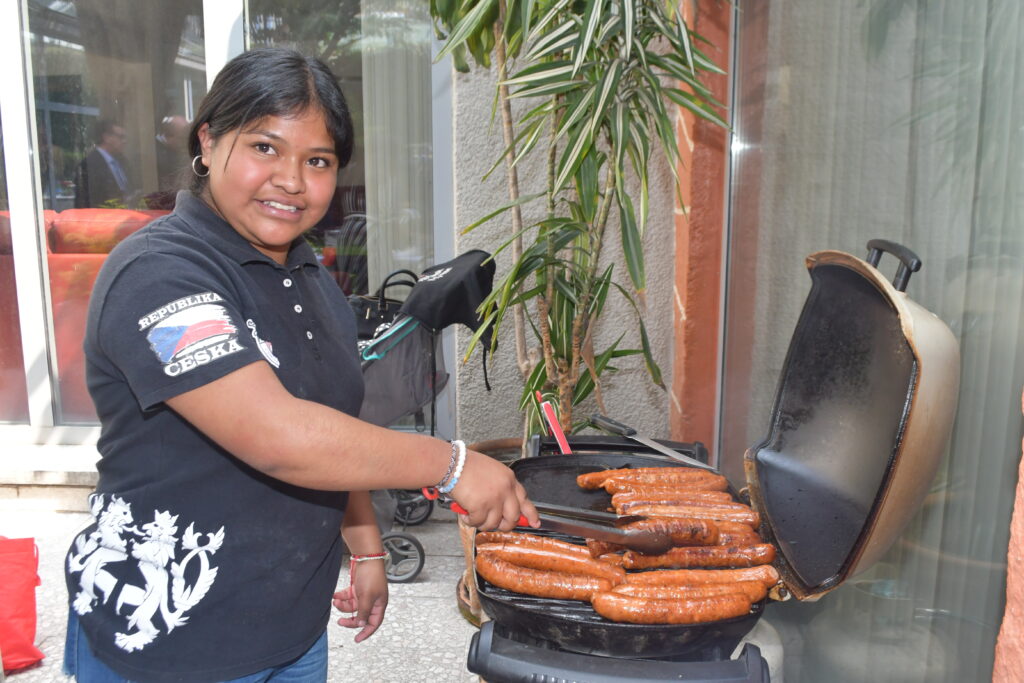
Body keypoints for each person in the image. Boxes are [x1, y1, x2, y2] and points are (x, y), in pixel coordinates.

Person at [63, 48, 538, 683]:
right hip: (169, 635)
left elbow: (331, 426)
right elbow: (279, 436)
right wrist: (451, 465)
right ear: (208, 140)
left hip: (288, 626)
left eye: (317, 161)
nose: (291, 180)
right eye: (264, 147)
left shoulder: (306, 271)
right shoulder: (159, 273)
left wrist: (366, 546)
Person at [74, 119, 133, 208]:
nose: (124, 141)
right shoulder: (90, 164)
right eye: (121, 137)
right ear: (107, 138)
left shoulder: (122, 161)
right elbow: (87, 202)